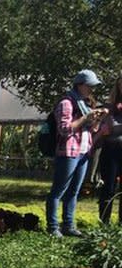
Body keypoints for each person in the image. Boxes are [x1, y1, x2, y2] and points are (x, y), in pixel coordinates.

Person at [47, 70, 108, 236]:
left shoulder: (85, 103)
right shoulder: (66, 103)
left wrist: (98, 118)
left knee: (74, 191)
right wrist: (85, 118)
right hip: (67, 151)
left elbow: (92, 129)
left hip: (83, 151)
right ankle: (53, 227)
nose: (91, 90)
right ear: (80, 84)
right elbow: (65, 129)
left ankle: (69, 225)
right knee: (58, 190)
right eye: (89, 86)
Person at [97, 76, 122, 224]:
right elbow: (101, 128)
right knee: (109, 186)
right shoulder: (108, 107)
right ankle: (104, 222)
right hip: (111, 149)